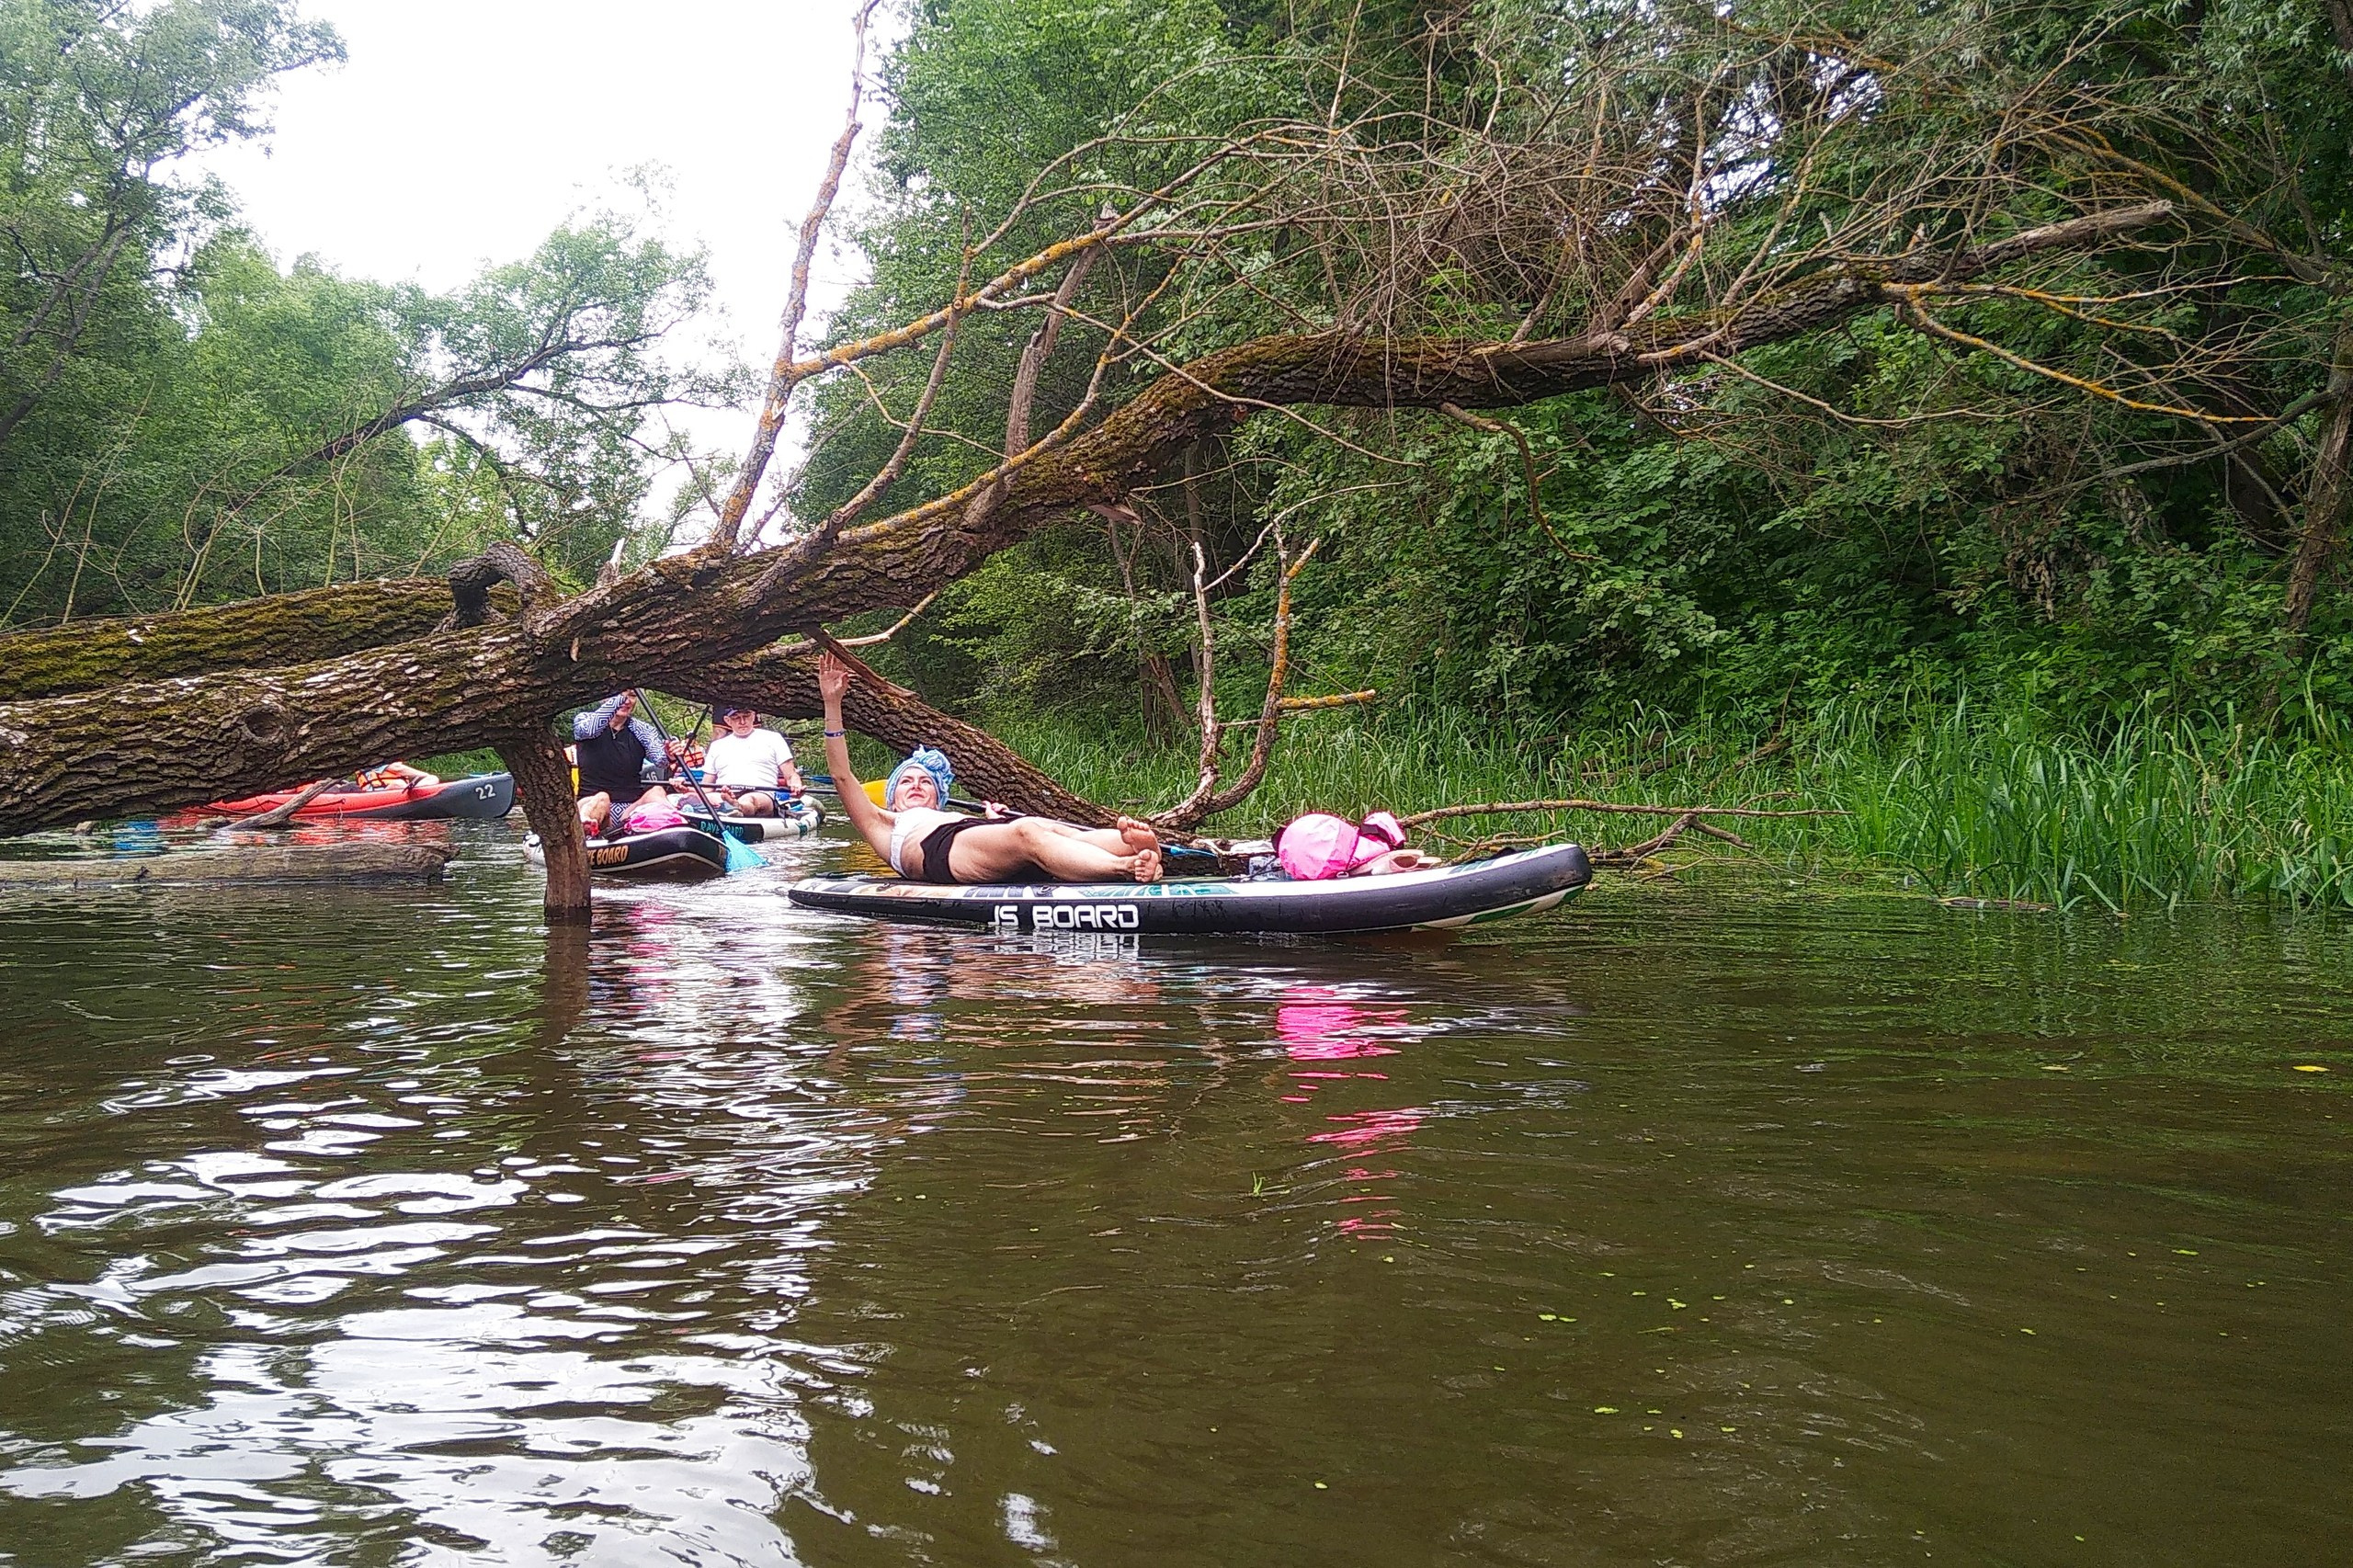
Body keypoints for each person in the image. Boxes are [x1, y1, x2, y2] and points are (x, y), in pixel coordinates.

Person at [817, 650, 1164, 883]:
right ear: (892, 798)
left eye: (926, 782)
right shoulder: (880, 824)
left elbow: (981, 836)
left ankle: (1141, 848)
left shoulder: (950, 816)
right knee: (1027, 830)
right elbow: (842, 776)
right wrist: (832, 703)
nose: (916, 785)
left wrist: (992, 823)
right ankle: (1124, 866)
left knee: (1061, 833)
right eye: (906, 781)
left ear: (939, 797)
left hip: (968, 835)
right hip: (935, 850)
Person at [572, 692, 677, 835]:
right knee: (602, 797)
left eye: (632, 696)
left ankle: (678, 824)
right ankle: (587, 828)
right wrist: (618, 699)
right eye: (619, 695)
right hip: (591, 802)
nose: (626, 701)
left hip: (628, 808)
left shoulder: (642, 730)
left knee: (657, 791)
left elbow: (661, 761)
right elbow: (589, 730)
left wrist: (670, 755)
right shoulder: (585, 719)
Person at [701, 703, 804, 817]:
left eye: (746, 716)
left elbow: (791, 775)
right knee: (709, 798)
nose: (742, 722)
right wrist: (686, 790)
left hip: (761, 793)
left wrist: (796, 784)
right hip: (723, 792)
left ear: (753, 716)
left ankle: (737, 807)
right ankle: (728, 805)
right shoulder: (717, 745)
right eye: (736, 718)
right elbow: (706, 786)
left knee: (749, 799)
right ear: (728, 720)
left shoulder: (773, 738)